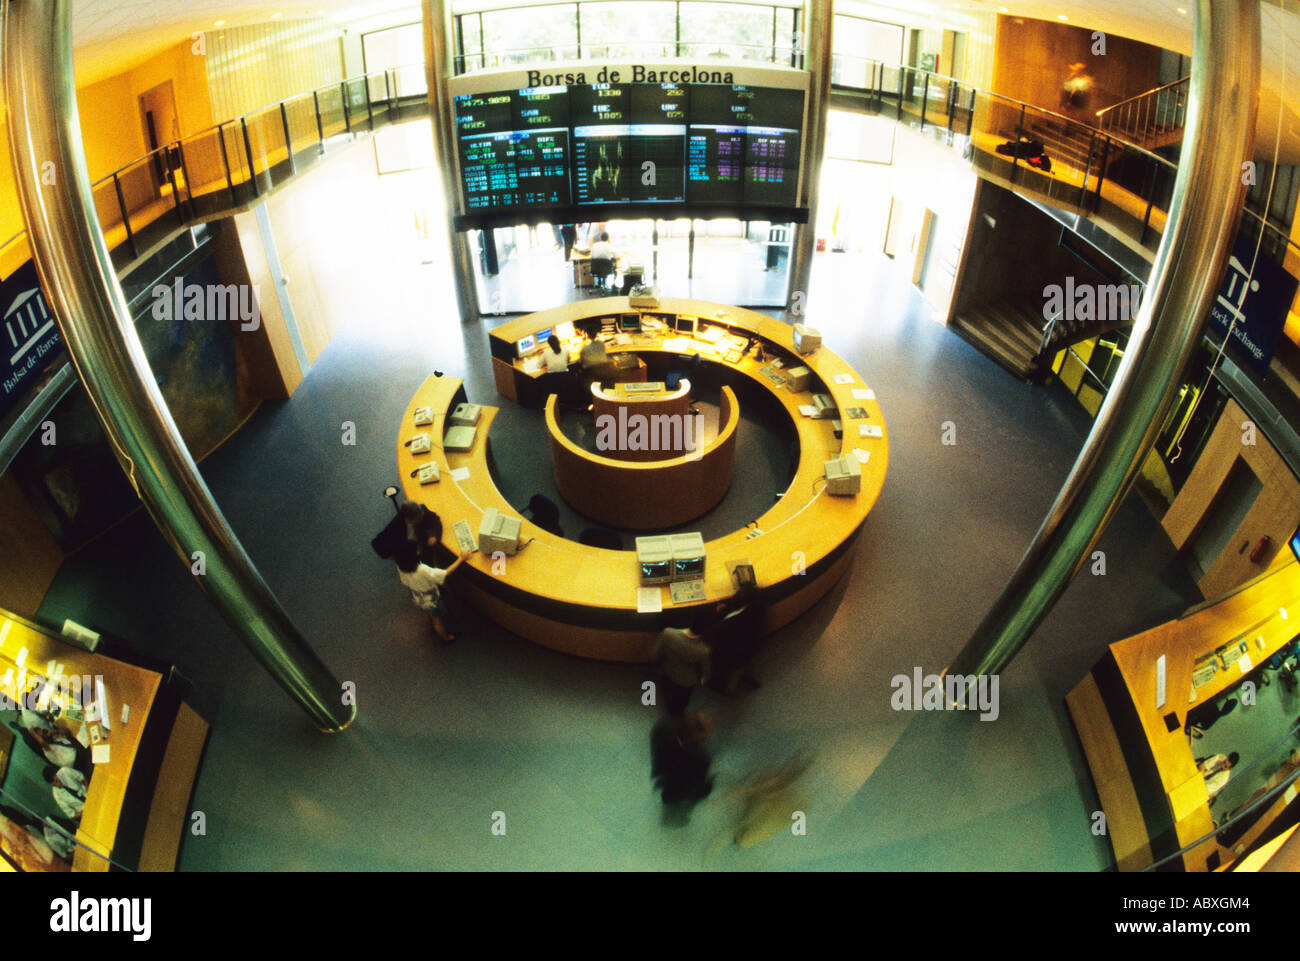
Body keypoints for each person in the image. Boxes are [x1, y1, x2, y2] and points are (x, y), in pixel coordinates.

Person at [396, 543, 471, 644]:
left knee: (425, 611)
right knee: (438, 622)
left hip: (417, 597)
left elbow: (404, 582)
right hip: (432, 600)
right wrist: (461, 558)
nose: (418, 550)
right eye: (416, 550)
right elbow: (446, 573)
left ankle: (430, 625)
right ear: (414, 555)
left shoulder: (400, 567)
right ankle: (446, 638)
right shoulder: (422, 570)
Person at [649, 713, 714, 820]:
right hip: (680, 798)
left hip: (669, 793)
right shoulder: (701, 761)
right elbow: (698, 791)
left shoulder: (666, 741)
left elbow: (659, 768)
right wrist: (708, 787)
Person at [707, 582, 765, 695]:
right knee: (748, 664)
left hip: (736, 651)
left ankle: (729, 691)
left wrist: (720, 614)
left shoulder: (732, 622)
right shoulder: (757, 606)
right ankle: (750, 679)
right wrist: (727, 608)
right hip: (752, 646)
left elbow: (720, 634)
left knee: (735, 670)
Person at [651, 613, 712, 715]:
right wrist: (704, 679)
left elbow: (655, 654)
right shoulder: (703, 651)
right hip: (686, 683)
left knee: (668, 691)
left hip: (668, 672)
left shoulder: (668, 633)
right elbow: (705, 672)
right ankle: (677, 713)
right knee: (681, 702)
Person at [373, 501, 444, 568]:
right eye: (418, 519)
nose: (421, 520)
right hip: (408, 550)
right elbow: (376, 543)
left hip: (421, 542)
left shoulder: (421, 510)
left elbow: (435, 519)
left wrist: (433, 535)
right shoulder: (395, 525)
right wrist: (393, 556)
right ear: (408, 519)